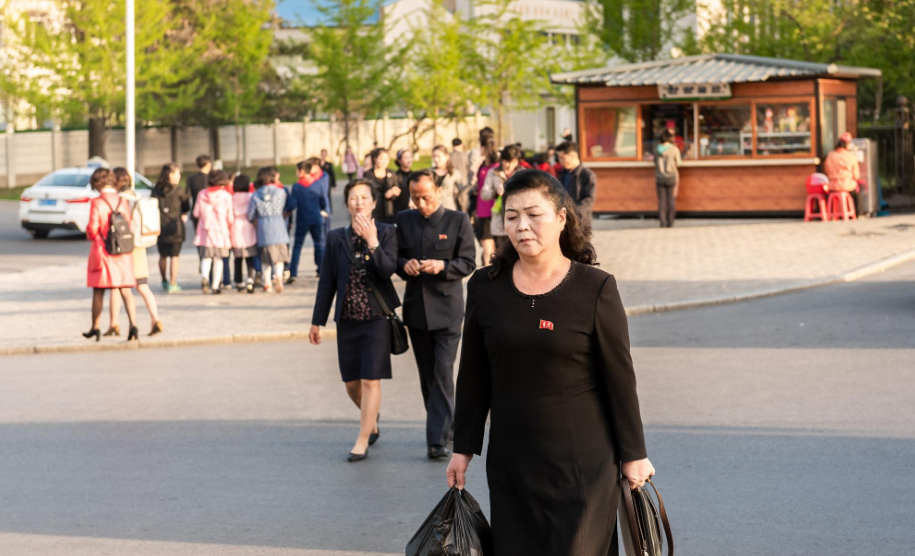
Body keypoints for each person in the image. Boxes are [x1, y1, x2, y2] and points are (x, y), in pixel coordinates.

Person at [446, 169, 655, 556]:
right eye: (511, 216)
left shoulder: (595, 288)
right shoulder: (485, 286)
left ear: (561, 218)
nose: (522, 226)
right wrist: (464, 447)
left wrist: (634, 453)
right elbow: (474, 375)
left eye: (533, 214)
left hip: (583, 465)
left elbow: (619, 379)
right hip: (512, 461)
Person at [310, 179, 400, 462]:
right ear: (347, 203)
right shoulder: (336, 237)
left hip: (376, 319)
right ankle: (370, 418)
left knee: (370, 379)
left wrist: (373, 242)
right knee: (351, 382)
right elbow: (327, 282)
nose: (359, 201)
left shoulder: (386, 233)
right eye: (353, 197)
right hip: (347, 319)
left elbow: (387, 271)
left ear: (374, 202)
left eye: (364, 197)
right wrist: (317, 321)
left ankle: (362, 438)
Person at [396, 169, 476, 459]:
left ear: (438, 192)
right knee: (427, 376)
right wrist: (405, 265)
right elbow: (396, 257)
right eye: (415, 198)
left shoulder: (458, 220)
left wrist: (442, 267)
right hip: (416, 309)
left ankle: (436, 439)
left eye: (425, 197)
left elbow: (468, 262)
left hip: (448, 310)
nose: (420, 204)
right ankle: (449, 424)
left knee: (443, 371)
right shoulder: (404, 220)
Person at [82, 168, 140, 342]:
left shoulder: (97, 202)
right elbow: (128, 223)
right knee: (125, 290)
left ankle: (95, 327)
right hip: (122, 252)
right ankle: (134, 326)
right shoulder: (122, 201)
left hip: (103, 252)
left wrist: (91, 234)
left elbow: (92, 229)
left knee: (99, 291)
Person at [105, 168, 164, 337]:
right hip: (140, 247)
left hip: (124, 248)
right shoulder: (137, 197)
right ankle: (156, 319)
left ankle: (115, 323)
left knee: (118, 287)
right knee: (143, 286)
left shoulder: (119, 201)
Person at [286, 158, 329, 283]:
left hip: (302, 219)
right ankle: (322, 271)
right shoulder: (318, 184)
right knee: (319, 244)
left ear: (301, 172)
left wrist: (286, 210)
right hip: (316, 218)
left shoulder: (297, 186)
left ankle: (293, 273)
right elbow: (323, 202)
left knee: (297, 245)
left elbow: (293, 204)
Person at [248, 166, 290, 293]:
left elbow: (250, 214)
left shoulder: (256, 194)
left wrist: (254, 220)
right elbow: (284, 206)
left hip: (263, 227)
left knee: (265, 259)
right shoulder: (281, 192)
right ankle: (278, 276)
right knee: (279, 258)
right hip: (278, 225)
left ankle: (267, 284)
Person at [194, 170, 234, 294]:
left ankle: (205, 277)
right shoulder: (226, 195)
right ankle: (216, 286)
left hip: (205, 231)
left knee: (206, 258)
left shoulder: (202, 194)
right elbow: (230, 217)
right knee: (218, 259)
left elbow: (196, 213)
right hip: (220, 232)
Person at [151, 163, 189, 293]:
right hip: (175, 227)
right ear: (170, 175)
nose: (179, 176)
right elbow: (186, 206)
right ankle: (173, 283)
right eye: (177, 173)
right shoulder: (178, 190)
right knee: (174, 256)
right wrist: (183, 214)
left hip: (159, 226)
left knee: (162, 255)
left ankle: (164, 280)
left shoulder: (155, 190)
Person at [481, 144, 523, 251]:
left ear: (517, 161)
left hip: (519, 220)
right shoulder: (493, 172)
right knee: (500, 254)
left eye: (513, 162)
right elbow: (483, 194)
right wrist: (495, 192)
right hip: (499, 221)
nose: (509, 165)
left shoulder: (523, 173)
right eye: (506, 161)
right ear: (502, 160)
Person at [472, 129, 500, 266]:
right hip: (483, 209)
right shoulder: (488, 165)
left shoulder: (493, 167)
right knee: (489, 245)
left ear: (483, 146)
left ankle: (489, 272)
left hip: (490, 210)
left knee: (488, 246)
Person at [555, 141, 596, 226]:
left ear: (572, 156)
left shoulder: (587, 175)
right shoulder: (562, 173)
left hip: (581, 221)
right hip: (563, 220)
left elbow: (588, 200)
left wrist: (572, 214)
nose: (560, 161)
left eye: (562, 158)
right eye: (559, 158)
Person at [230, 174, 258, 293]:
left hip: (235, 226)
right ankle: (250, 279)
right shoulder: (251, 196)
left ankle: (239, 281)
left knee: (238, 258)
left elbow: (229, 214)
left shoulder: (231, 198)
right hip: (249, 226)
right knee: (250, 257)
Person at [363, 147, 400, 225]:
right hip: (374, 212)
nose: (385, 161)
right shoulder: (368, 174)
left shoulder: (392, 173)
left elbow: (397, 190)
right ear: (375, 159)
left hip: (389, 211)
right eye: (381, 158)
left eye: (387, 159)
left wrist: (392, 193)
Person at [654, 129, 682, 228]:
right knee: (671, 199)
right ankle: (670, 222)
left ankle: (662, 222)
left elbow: (655, 162)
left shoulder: (656, 149)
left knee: (661, 200)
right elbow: (678, 163)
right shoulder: (674, 149)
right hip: (671, 177)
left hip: (659, 177)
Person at [824, 132, 861, 205]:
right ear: (847, 144)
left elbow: (826, 171)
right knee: (857, 191)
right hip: (847, 185)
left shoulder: (830, 155)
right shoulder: (850, 156)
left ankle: (833, 213)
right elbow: (856, 176)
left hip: (832, 186)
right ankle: (855, 213)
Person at [432, 144, 469, 213]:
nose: (436, 159)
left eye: (438, 156)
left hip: (449, 208)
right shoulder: (429, 173)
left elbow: (463, 191)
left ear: (447, 157)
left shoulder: (454, 173)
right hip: (432, 209)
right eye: (434, 156)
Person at [187, 154, 212, 230]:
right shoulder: (212, 178)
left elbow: (187, 195)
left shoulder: (191, 178)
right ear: (208, 164)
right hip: (210, 212)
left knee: (199, 237)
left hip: (196, 211)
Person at [392, 149, 414, 215]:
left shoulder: (414, 175)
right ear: (399, 160)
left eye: (410, 157)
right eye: (406, 158)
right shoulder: (395, 176)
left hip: (412, 210)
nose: (409, 160)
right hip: (399, 212)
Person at [319, 149, 336, 214]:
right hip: (320, 182)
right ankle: (322, 208)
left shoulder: (328, 164)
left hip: (327, 183)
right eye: (322, 154)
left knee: (328, 196)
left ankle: (328, 209)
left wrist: (334, 185)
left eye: (325, 154)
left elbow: (332, 174)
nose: (323, 155)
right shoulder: (318, 164)